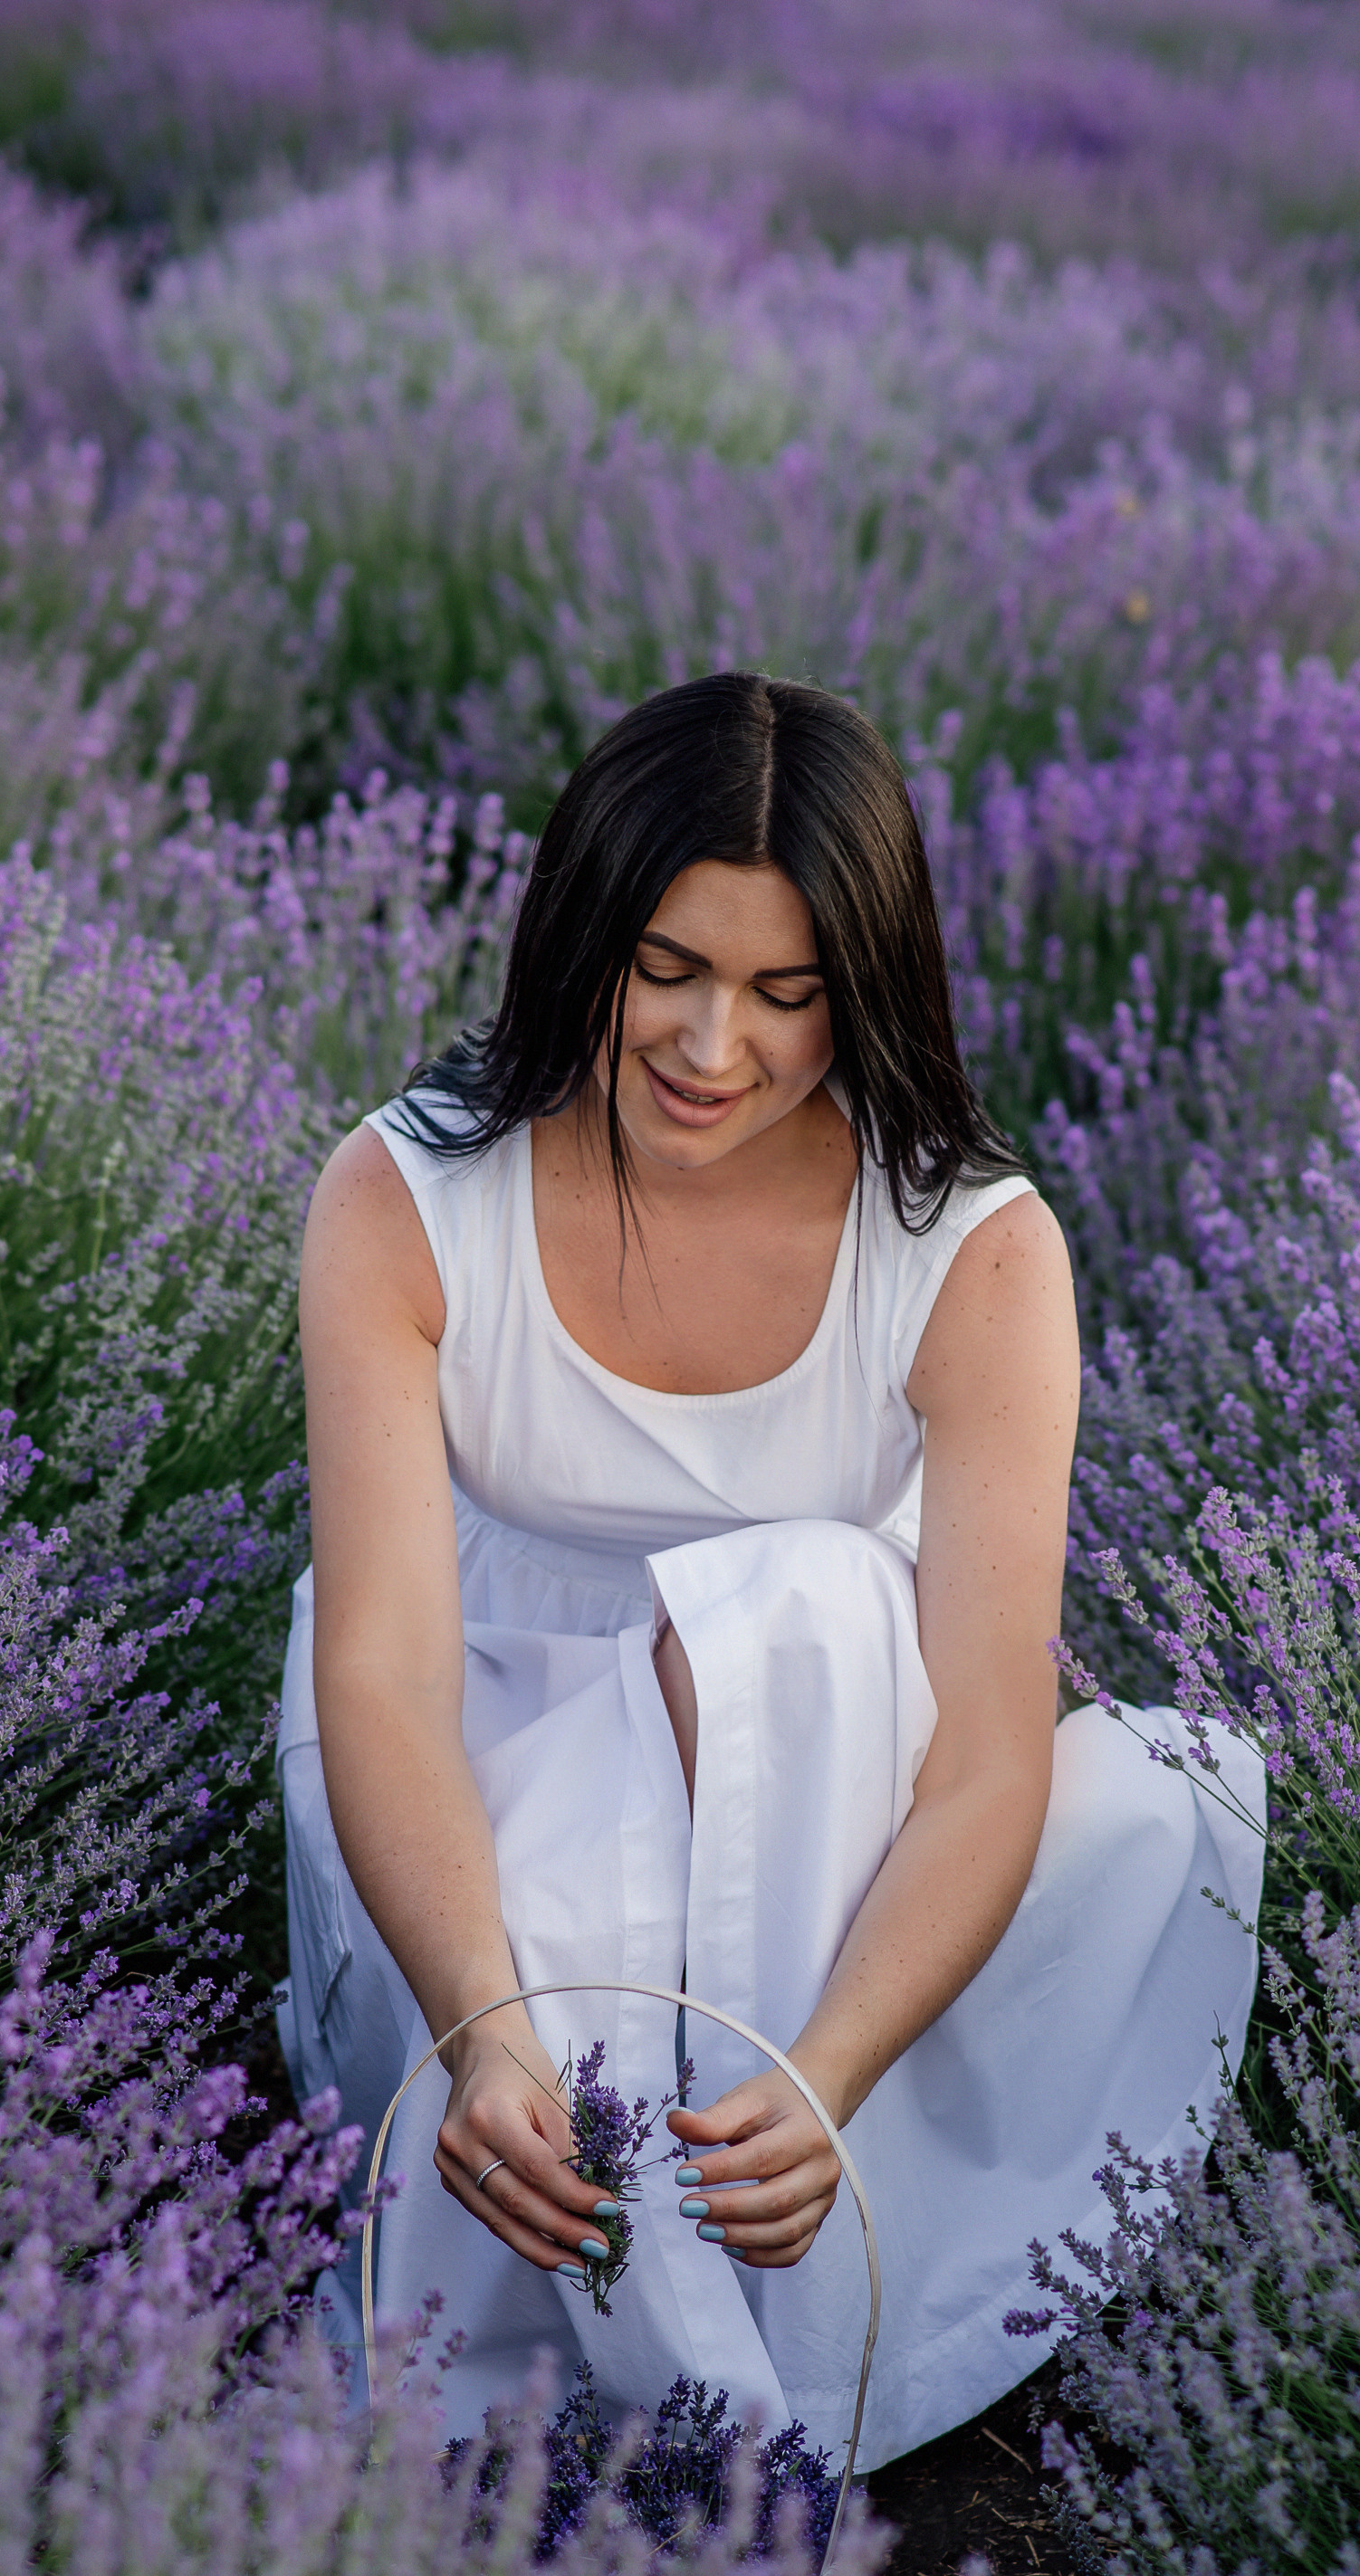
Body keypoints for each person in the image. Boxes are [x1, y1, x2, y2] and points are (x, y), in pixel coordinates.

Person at [278, 672, 1263, 2471]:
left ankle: (716, 2341)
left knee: (809, 1608)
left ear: (861, 992)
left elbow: (981, 1750)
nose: (714, 1046)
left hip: (820, 1823)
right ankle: (658, 2447)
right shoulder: (407, 1198)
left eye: (786, 994)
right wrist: (480, 2025)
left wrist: (829, 2071)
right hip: (460, 1788)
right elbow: (386, 1678)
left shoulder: (967, 1248)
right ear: (578, 931)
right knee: (542, 2025)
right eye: (666, 967)